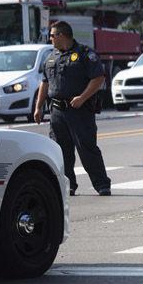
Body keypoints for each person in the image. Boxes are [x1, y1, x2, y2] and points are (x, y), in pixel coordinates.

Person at [33, 20, 111, 196]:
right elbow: (45, 83)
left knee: (87, 148)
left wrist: (82, 98)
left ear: (62, 35)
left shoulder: (84, 54)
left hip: (80, 110)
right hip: (57, 112)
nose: (50, 38)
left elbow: (98, 78)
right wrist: (38, 107)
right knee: (61, 151)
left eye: (52, 35)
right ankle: (69, 185)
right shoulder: (51, 57)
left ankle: (102, 185)